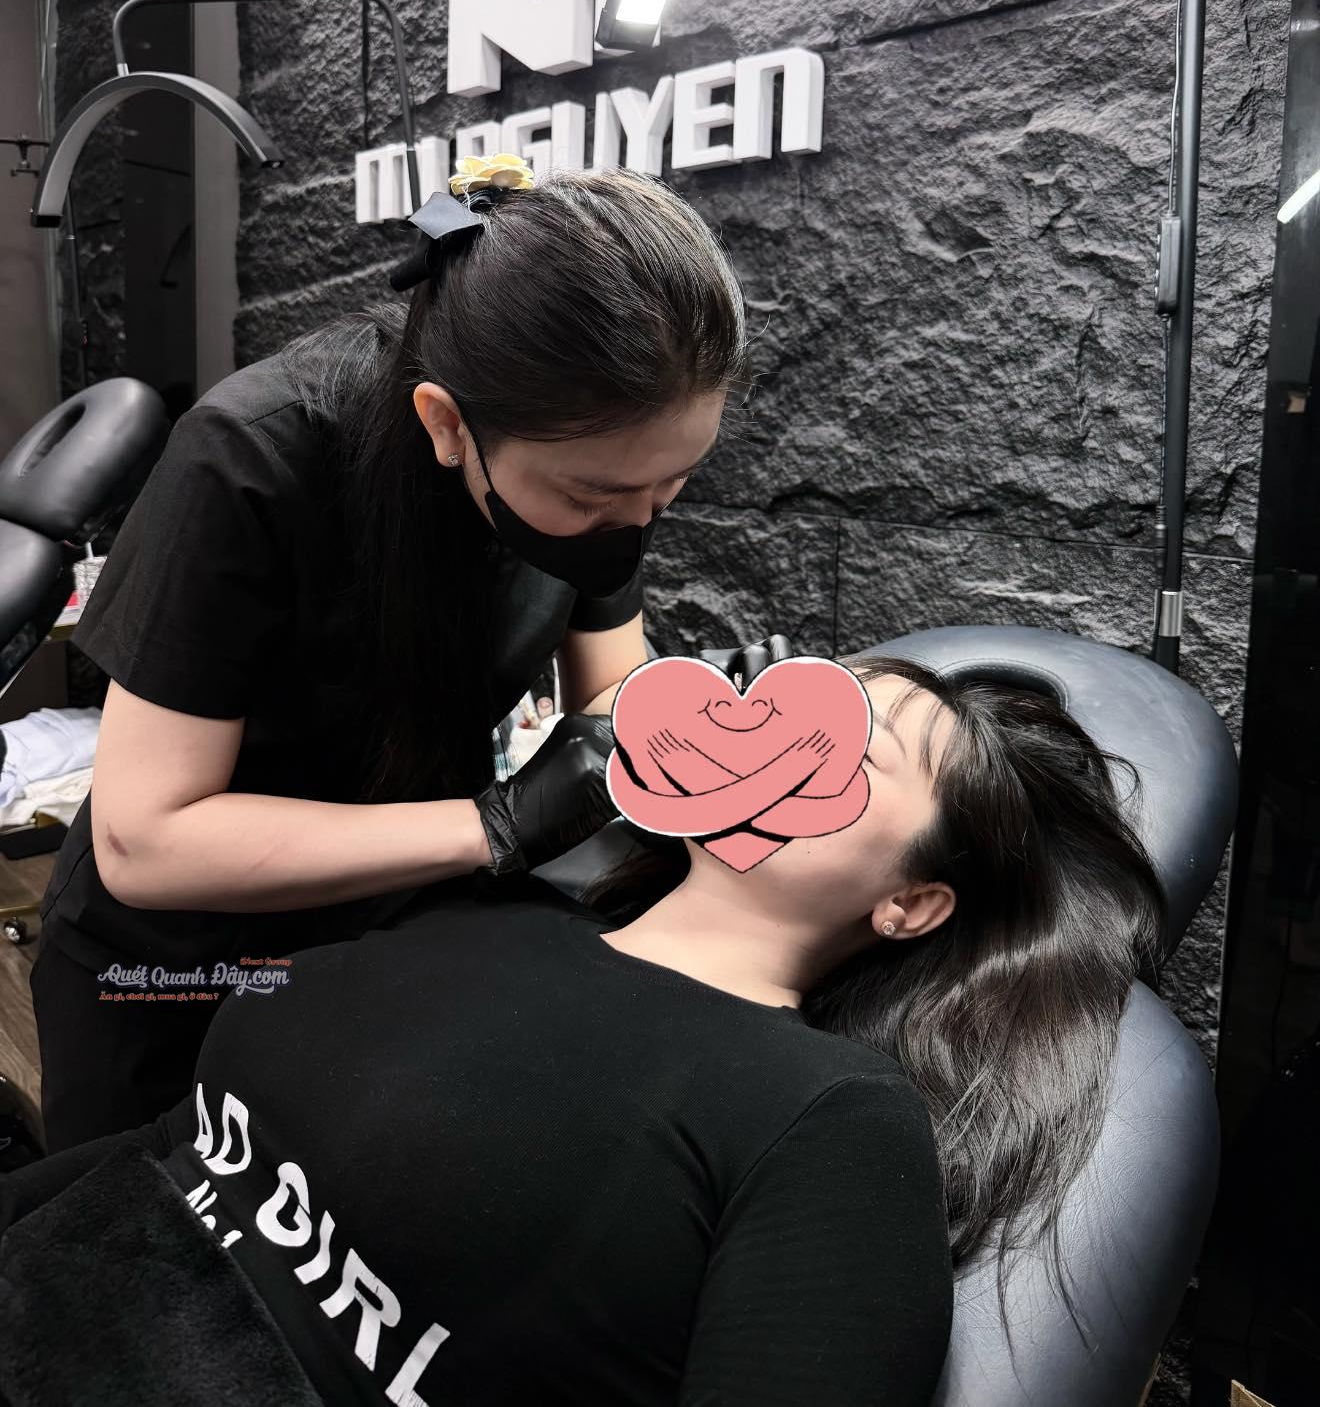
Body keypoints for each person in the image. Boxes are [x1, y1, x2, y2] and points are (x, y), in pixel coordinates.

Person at [0, 653, 1165, 1406]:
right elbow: (185, 1148)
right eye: (776, 706)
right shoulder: (493, 919)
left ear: (909, 904)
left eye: (845, 751)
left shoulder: (827, 1120)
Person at [31, 160, 755, 1150]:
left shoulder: (603, 474)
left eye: (671, 487)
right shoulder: (253, 456)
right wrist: (495, 824)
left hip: (394, 941)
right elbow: (144, 842)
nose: (634, 522)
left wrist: (690, 742)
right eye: (593, 497)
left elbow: (613, 697)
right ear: (448, 425)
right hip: (182, 969)